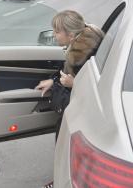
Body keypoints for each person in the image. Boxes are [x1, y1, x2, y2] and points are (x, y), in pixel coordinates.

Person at [35, 10, 104, 188]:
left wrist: (75, 84)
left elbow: (99, 86)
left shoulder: (83, 55)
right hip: (73, 109)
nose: (54, 35)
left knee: (68, 151)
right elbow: (67, 71)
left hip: (80, 113)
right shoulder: (81, 45)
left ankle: (61, 182)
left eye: (57, 32)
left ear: (71, 35)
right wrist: (54, 80)